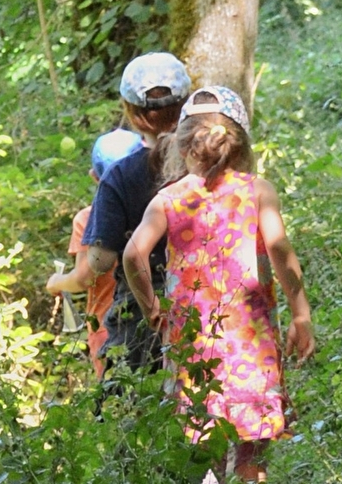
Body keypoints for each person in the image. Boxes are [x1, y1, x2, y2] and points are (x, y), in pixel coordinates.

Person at [122, 86, 315, 483]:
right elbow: (280, 251)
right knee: (252, 457)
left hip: (194, 346)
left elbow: (132, 256)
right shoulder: (257, 192)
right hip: (252, 343)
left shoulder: (167, 201)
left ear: (181, 145)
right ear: (240, 142)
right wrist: (301, 314)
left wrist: (151, 308)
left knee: (204, 451)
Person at [81, 52, 193, 372]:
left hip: (142, 313)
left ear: (130, 111)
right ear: (185, 104)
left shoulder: (119, 175)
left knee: (125, 404)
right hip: (209, 300)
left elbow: (100, 262)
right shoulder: (207, 162)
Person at [46, 128, 141, 378]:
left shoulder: (88, 219)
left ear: (94, 177)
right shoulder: (161, 208)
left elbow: (84, 277)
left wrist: (57, 282)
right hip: (155, 321)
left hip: (107, 328)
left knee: (114, 402)